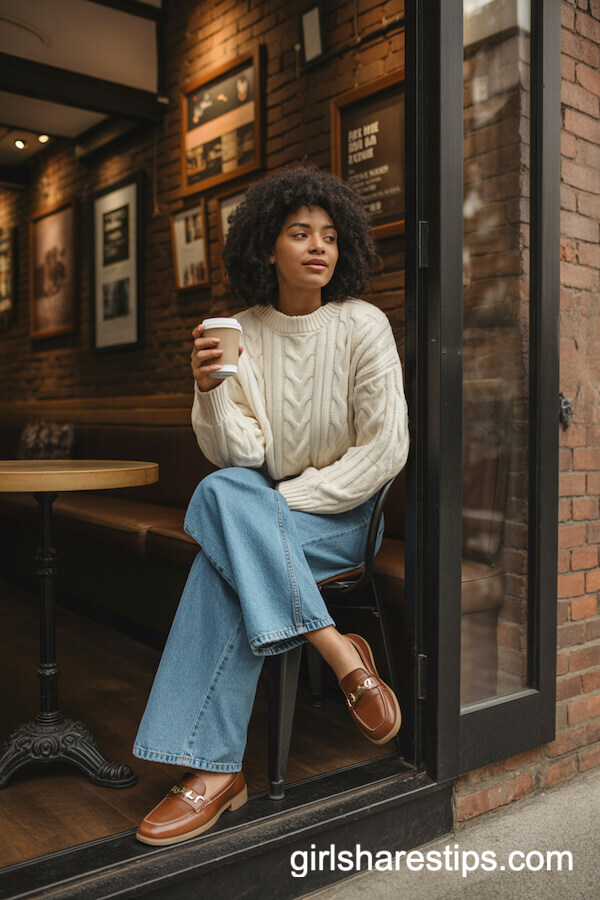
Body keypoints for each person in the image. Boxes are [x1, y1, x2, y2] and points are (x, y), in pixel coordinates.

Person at [133, 163, 409, 846]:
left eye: (330, 236)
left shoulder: (362, 326)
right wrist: (211, 390)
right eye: (299, 233)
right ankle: (338, 650)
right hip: (265, 508)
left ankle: (212, 771)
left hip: (342, 519)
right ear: (266, 247)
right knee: (219, 489)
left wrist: (282, 508)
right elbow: (240, 456)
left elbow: (385, 449)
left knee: (224, 554)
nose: (319, 246)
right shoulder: (241, 331)